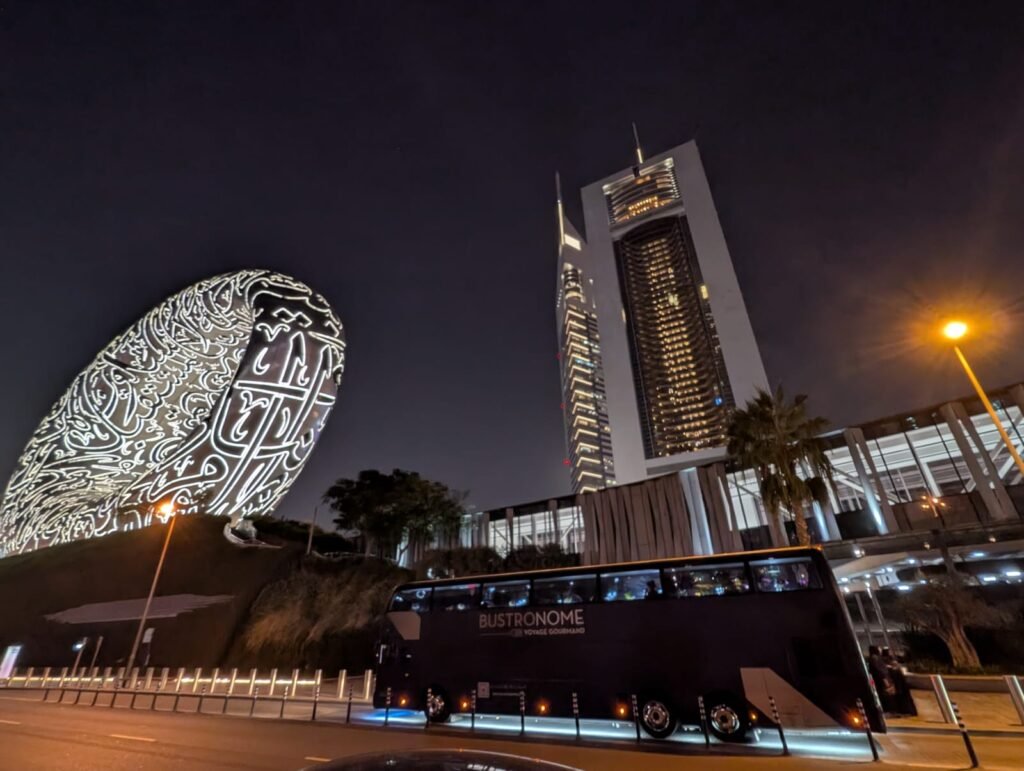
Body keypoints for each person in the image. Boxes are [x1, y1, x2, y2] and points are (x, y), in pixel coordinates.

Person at [882, 647, 917, 716]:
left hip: (899, 682)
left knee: (902, 696)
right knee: (901, 697)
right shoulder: (888, 661)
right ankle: (906, 711)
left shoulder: (890, 661)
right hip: (898, 682)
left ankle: (906, 711)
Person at [867, 645, 897, 712]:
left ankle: (890, 709)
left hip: (882, 679)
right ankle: (890, 709)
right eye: (879, 649)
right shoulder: (875, 658)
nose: (880, 650)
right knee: (886, 694)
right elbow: (880, 670)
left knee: (886, 693)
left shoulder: (875, 658)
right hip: (882, 680)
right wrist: (885, 680)